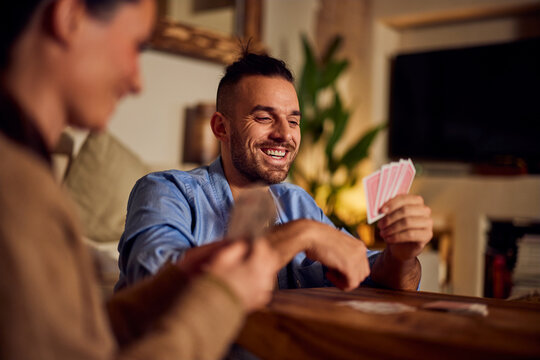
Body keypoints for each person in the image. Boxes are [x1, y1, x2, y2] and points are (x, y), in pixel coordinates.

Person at [0, 1, 279, 359]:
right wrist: (224, 298)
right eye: (137, 46)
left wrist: (177, 284)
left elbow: (72, 338)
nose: (137, 81)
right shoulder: (18, 192)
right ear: (69, 18)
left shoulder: (28, 174)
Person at [116, 51, 433, 294]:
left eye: (293, 121)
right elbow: (152, 279)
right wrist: (300, 235)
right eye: (265, 118)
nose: (285, 133)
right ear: (220, 127)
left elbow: (371, 278)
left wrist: (401, 256)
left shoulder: (297, 202)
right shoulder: (165, 190)